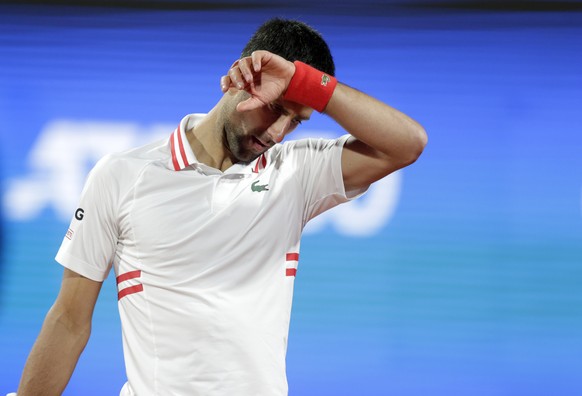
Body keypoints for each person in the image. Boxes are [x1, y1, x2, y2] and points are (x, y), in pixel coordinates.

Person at [16, 18, 427, 395]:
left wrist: (307, 84)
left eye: (296, 121)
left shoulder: (296, 172)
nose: (279, 133)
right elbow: (69, 320)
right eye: (276, 109)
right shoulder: (123, 175)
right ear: (242, 78)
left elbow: (408, 145)